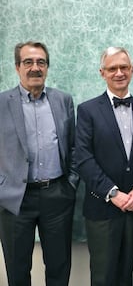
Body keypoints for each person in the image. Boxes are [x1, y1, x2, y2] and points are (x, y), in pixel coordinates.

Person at [0, 41, 79, 286]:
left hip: (56, 195)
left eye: (41, 62)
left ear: (47, 67)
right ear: (17, 67)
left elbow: (74, 145)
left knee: (58, 266)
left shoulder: (63, 100)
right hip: (15, 200)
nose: (35, 68)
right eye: (28, 62)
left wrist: (70, 184)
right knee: (17, 269)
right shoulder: (2, 103)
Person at [75, 47, 133, 286]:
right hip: (102, 209)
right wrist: (114, 194)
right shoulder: (87, 110)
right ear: (102, 73)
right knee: (103, 277)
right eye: (112, 68)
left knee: (126, 273)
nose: (119, 73)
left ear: (132, 70)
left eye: (124, 67)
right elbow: (83, 158)